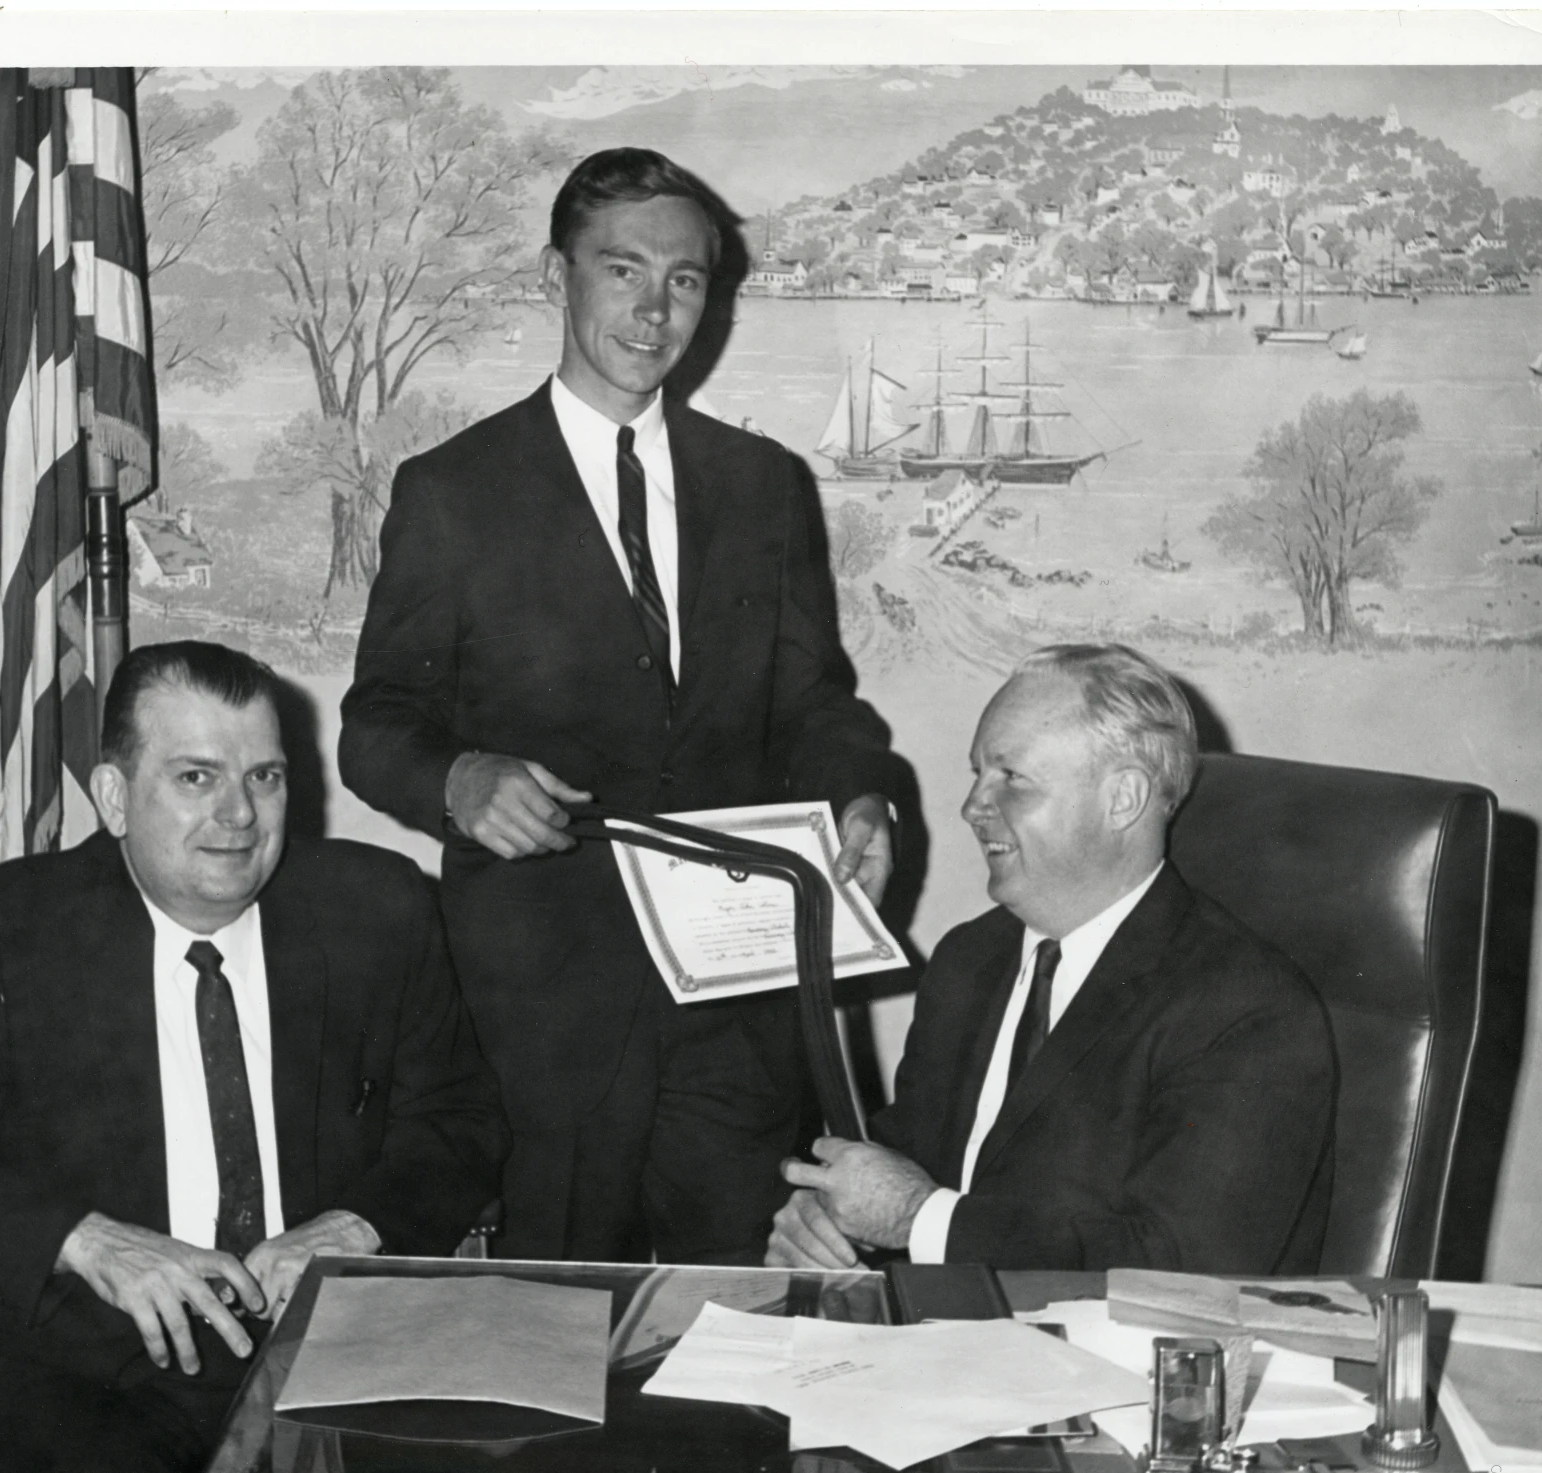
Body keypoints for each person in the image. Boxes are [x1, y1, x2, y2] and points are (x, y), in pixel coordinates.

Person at [0, 640, 508, 1473]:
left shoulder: (376, 909)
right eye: (195, 777)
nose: (238, 816)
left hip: (326, 1343)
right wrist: (88, 1241)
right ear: (113, 794)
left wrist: (351, 1225)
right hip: (88, 1366)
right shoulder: (15, 927)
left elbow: (462, 1124)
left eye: (264, 777)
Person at [340, 148, 906, 1266]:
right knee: (553, 1348)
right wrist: (459, 779)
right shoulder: (453, 492)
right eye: (623, 271)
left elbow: (811, 700)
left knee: (742, 1350)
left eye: (686, 281)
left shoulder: (764, 486)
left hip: (739, 1007)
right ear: (559, 275)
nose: (654, 310)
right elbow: (375, 725)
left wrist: (864, 794)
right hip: (540, 1015)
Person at [767, 644, 1335, 1274]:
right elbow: (906, 1169)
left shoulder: (1245, 1008)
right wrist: (828, 1224)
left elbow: (1182, 1269)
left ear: (1123, 799)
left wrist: (915, 1218)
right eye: (977, 773)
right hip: (943, 1350)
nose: (972, 807)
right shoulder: (968, 960)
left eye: (1012, 778)